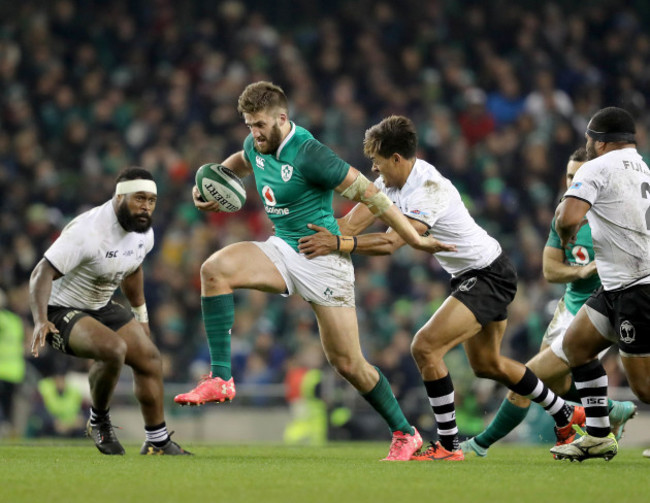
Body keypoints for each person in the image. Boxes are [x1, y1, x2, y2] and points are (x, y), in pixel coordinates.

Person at [173, 81, 453, 461]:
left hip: (325, 259)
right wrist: (209, 187)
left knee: (349, 364)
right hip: (284, 248)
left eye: (260, 125)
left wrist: (414, 240)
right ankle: (221, 377)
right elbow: (239, 162)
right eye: (248, 125)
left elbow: (372, 194)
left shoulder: (309, 153)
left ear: (282, 119)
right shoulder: (256, 145)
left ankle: (406, 433)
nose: (254, 134)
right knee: (214, 270)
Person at [298, 115, 586, 461]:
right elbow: (347, 223)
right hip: (479, 273)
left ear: (397, 159)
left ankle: (448, 445)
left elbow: (394, 243)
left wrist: (340, 244)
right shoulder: (390, 184)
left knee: (424, 347)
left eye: (377, 162)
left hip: (487, 274)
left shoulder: (428, 187)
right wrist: (303, 226)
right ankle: (566, 413)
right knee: (488, 365)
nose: (374, 170)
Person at [460, 148, 637, 457]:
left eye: (580, 176)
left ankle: (480, 444)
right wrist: (582, 270)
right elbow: (550, 269)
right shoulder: (564, 215)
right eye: (570, 176)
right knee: (552, 385)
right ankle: (609, 411)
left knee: (526, 379)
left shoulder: (615, 217)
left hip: (601, 309)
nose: (573, 182)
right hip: (567, 308)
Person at [29, 168, 190, 456]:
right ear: (119, 197)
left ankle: (157, 440)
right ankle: (98, 420)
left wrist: (141, 316)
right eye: (139, 198)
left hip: (100, 305)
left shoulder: (143, 233)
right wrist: (40, 319)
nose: (146, 207)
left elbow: (132, 268)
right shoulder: (87, 231)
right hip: (59, 309)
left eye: (151, 200)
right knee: (114, 349)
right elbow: (41, 273)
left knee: (150, 359)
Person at [550, 107, 650, 461]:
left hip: (636, 288)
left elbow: (569, 216)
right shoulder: (642, 166)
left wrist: (564, 234)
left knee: (644, 386)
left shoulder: (597, 167)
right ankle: (597, 435)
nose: (587, 145)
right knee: (576, 346)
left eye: (589, 139)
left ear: (601, 142)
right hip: (617, 285)